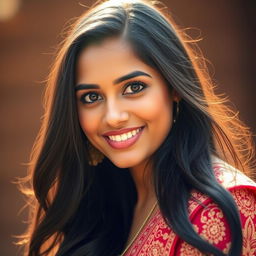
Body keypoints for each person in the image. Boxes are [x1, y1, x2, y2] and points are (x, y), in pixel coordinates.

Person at [16, 0, 256, 255]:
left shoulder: (219, 210)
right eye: (91, 97)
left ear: (173, 88)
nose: (113, 117)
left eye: (134, 87)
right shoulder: (107, 208)